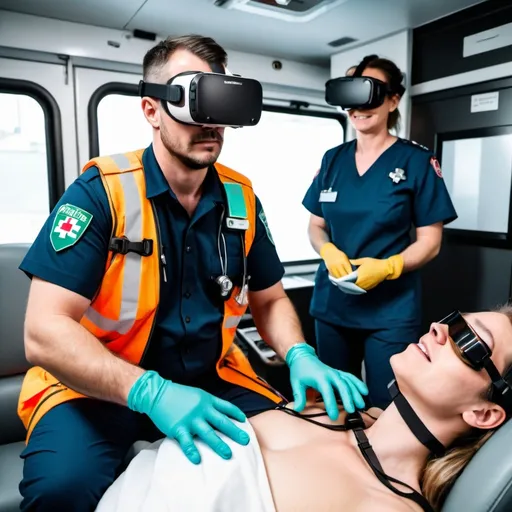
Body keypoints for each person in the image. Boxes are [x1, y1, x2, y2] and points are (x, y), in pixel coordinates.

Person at [16, 34, 368, 511]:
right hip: (95, 386)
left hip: (210, 378)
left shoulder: (241, 199)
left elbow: (270, 299)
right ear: (151, 110)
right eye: (192, 100)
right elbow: (43, 331)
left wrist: (301, 353)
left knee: (310, 448)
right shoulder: (101, 193)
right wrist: (148, 390)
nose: (210, 122)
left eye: (219, 102)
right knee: (62, 491)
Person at [96, 305, 512, 512]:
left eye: (469, 341)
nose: (440, 329)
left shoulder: (388, 504)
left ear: (484, 414)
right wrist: (299, 355)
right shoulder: (338, 411)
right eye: (454, 319)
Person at [302, 54, 458, 409]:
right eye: (353, 96)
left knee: (386, 407)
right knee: (333, 402)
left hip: (390, 311)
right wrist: (327, 250)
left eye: (371, 94)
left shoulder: (417, 161)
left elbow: (430, 242)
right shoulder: (333, 160)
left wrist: (388, 267)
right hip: (332, 305)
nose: (359, 108)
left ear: (393, 100)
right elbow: (315, 226)